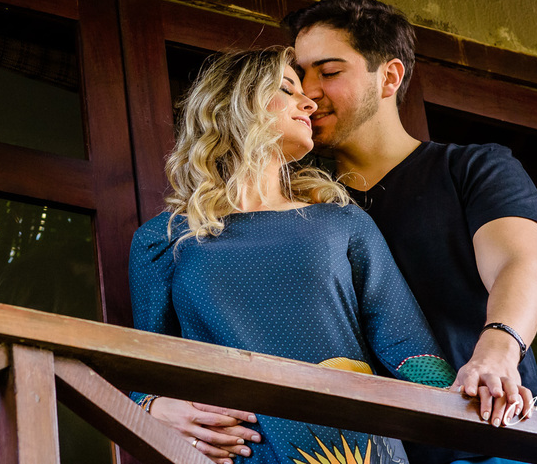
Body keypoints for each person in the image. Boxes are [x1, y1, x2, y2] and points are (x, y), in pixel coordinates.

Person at [130, 47, 456, 464]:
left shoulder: (341, 221)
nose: (309, 102)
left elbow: (407, 346)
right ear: (235, 101)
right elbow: (149, 367)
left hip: (356, 452)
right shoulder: (164, 238)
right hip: (237, 452)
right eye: (287, 89)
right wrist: (152, 407)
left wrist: (476, 397)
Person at [283, 0, 537, 464]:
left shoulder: (474, 167)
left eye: (328, 72)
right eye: (297, 76)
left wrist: (497, 352)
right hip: (366, 451)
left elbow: (518, 266)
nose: (308, 91)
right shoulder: (296, 209)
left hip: (493, 433)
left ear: (389, 76)